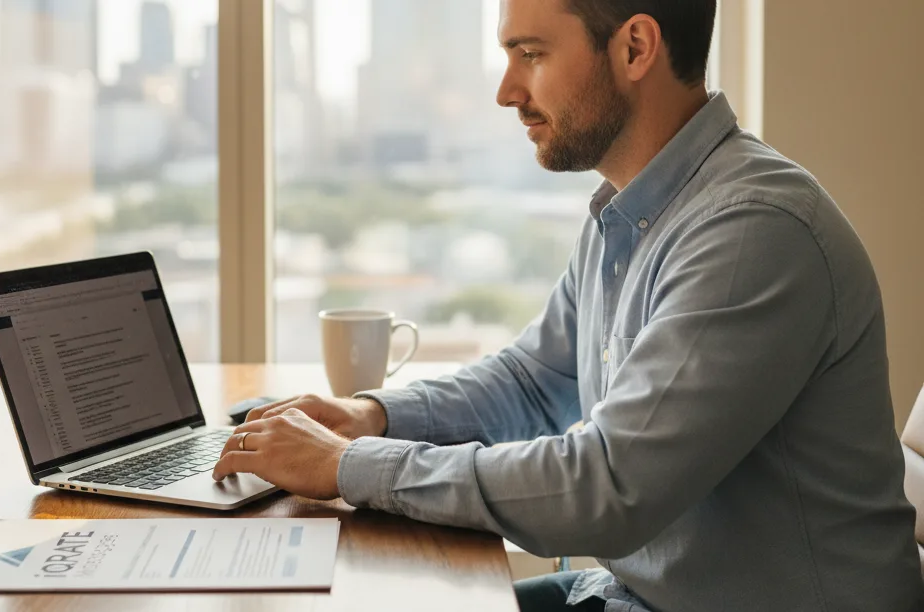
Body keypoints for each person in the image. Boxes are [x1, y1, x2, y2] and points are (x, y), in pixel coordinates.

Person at [213, 0, 924, 610]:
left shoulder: (753, 231)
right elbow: (534, 378)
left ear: (634, 47)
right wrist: (373, 415)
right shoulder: (634, 209)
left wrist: (348, 464)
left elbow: (606, 489)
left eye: (531, 53)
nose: (505, 89)